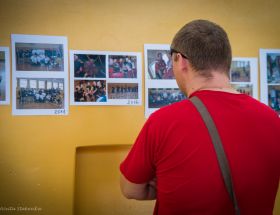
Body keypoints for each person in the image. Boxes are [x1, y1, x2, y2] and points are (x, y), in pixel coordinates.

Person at [119, 20, 280, 215]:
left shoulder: (163, 121)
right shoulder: (272, 119)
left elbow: (131, 189)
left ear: (181, 60)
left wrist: (165, 183)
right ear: (226, 62)